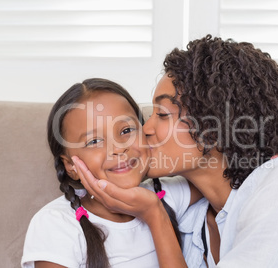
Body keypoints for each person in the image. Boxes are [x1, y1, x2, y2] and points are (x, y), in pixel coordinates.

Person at [75, 35, 278, 267]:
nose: (146, 130)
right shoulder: (194, 212)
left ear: (215, 126)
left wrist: (153, 215)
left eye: (163, 115)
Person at [21, 78, 198, 268]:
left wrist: (155, 213)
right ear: (71, 167)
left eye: (126, 130)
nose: (118, 148)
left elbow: (219, 178)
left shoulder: (166, 195)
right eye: (94, 141)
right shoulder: (56, 223)